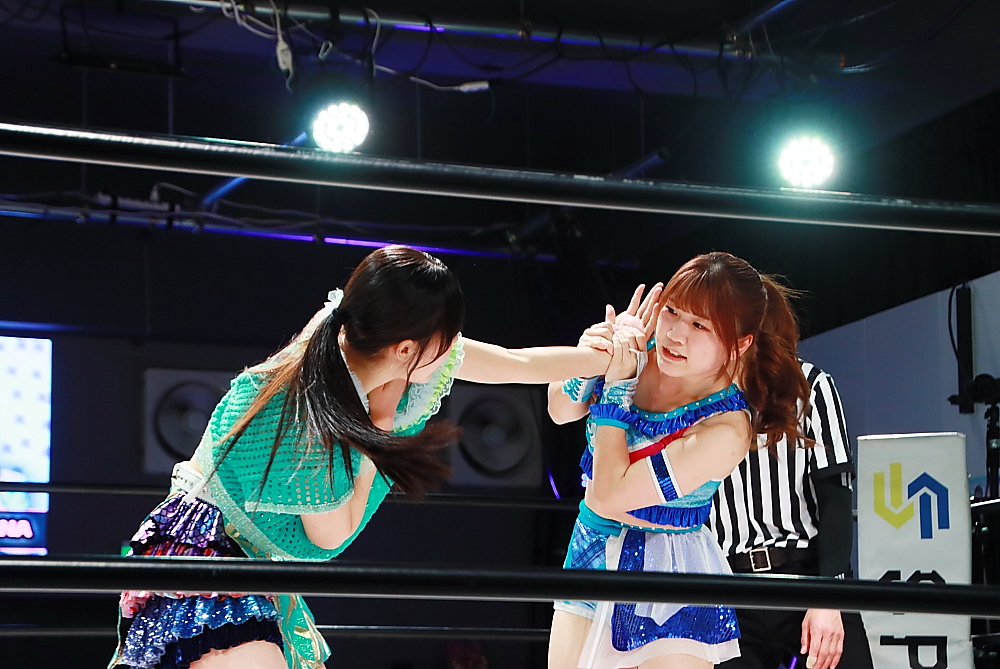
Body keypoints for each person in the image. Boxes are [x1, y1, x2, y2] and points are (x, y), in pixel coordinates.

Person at [109, 245, 644, 669]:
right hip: (206, 557)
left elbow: (513, 363)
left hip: (247, 561)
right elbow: (331, 537)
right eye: (446, 339)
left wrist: (608, 357)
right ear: (407, 348)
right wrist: (380, 427)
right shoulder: (309, 416)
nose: (453, 350)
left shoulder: (366, 339)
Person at [547, 251, 811, 669]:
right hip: (593, 546)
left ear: (741, 342)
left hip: (671, 565)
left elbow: (609, 494)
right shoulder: (638, 347)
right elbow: (559, 410)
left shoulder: (726, 428)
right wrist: (593, 355)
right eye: (671, 311)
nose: (675, 334)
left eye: (700, 325)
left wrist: (616, 386)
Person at [709, 360, 874, 669]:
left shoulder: (809, 383)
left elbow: (836, 498)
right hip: (728, 584)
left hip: (807, 574)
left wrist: (829, 597)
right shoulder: (694, 392)